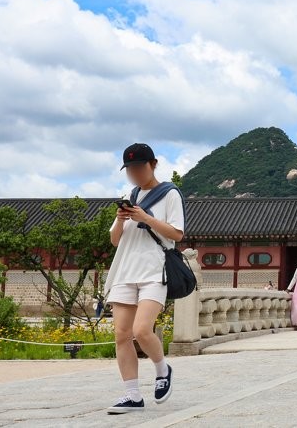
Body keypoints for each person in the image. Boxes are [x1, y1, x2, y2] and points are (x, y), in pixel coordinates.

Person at [103, 143, 184, 414]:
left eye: (139, 167)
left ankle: (163, 369)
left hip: (153, 270)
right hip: (125, 270)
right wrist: (120, 219)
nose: (135, 173)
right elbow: (115, 241)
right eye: (130, 169)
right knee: (121, 334)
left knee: (141, 330)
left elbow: (176, 235)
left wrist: (146, 218)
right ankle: (132, 394)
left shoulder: (170, 194)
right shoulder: (131, 194)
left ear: (154, 164)